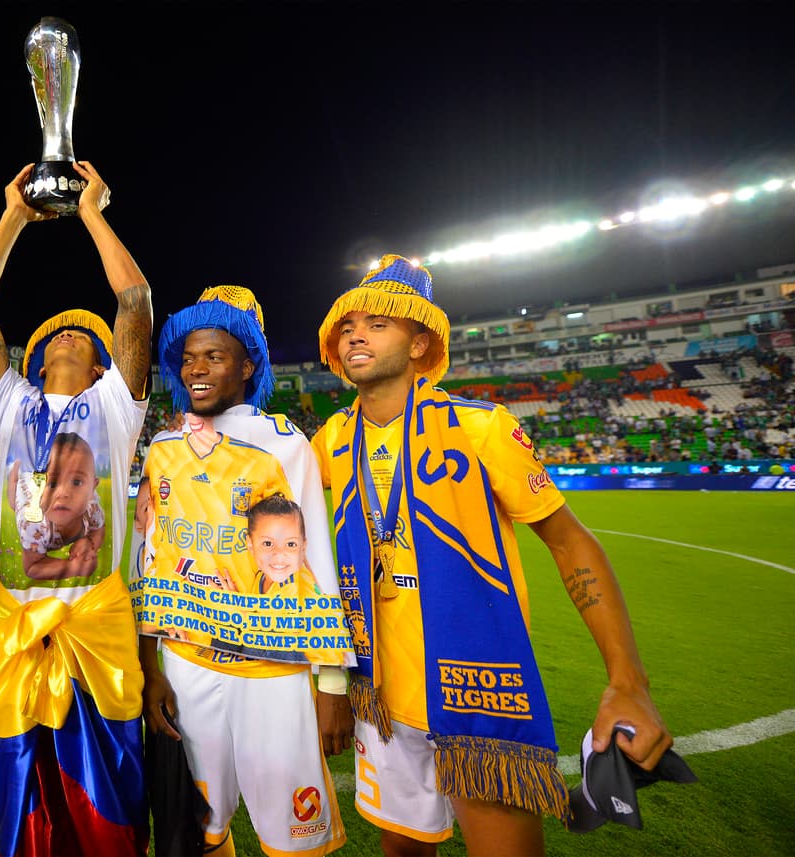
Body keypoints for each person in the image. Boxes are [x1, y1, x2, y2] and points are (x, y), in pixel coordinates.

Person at [311, 254, 672, 856]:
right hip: (380, 695)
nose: (355, 335)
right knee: (403, 850)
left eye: (378, 324)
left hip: (477, 693)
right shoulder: (332, 439)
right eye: (347, 326)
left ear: (420, 343)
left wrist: (627, 680)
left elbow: (570, 541)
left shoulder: (482, 428)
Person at [0, 161, 152, 857]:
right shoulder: (11, 407)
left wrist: (92, 211)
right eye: (55, 335)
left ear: (103, 365)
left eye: (82, 335)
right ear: (35, 364)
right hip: (13, 632)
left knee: (108, 816)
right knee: (15, 812)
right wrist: (14, 215)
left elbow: (134, 302)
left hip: (95, 631)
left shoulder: (116, 407)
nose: (68, 333)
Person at [136, 286, 352, 857]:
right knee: (199, 829)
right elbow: (150, 562)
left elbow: (315, 560)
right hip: (186, 666)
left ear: (248, 363)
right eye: (189, 357)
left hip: (272, 668)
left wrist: (332, 681)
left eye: (215, 355)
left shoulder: (285, 444)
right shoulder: (164, 447)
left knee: (294, 835)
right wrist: (150, 667)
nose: (197, 369)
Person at [7, 431, 105, 579]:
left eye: (76, 482)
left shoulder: (92, 508)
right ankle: (15, 470)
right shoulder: (34, 524)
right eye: (53, 484)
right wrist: (71, 568)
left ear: (93, 487)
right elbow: (32, 567)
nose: (63, 493)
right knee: (13, 498)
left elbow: (99, 529)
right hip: (26, 489)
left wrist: (89, 542)